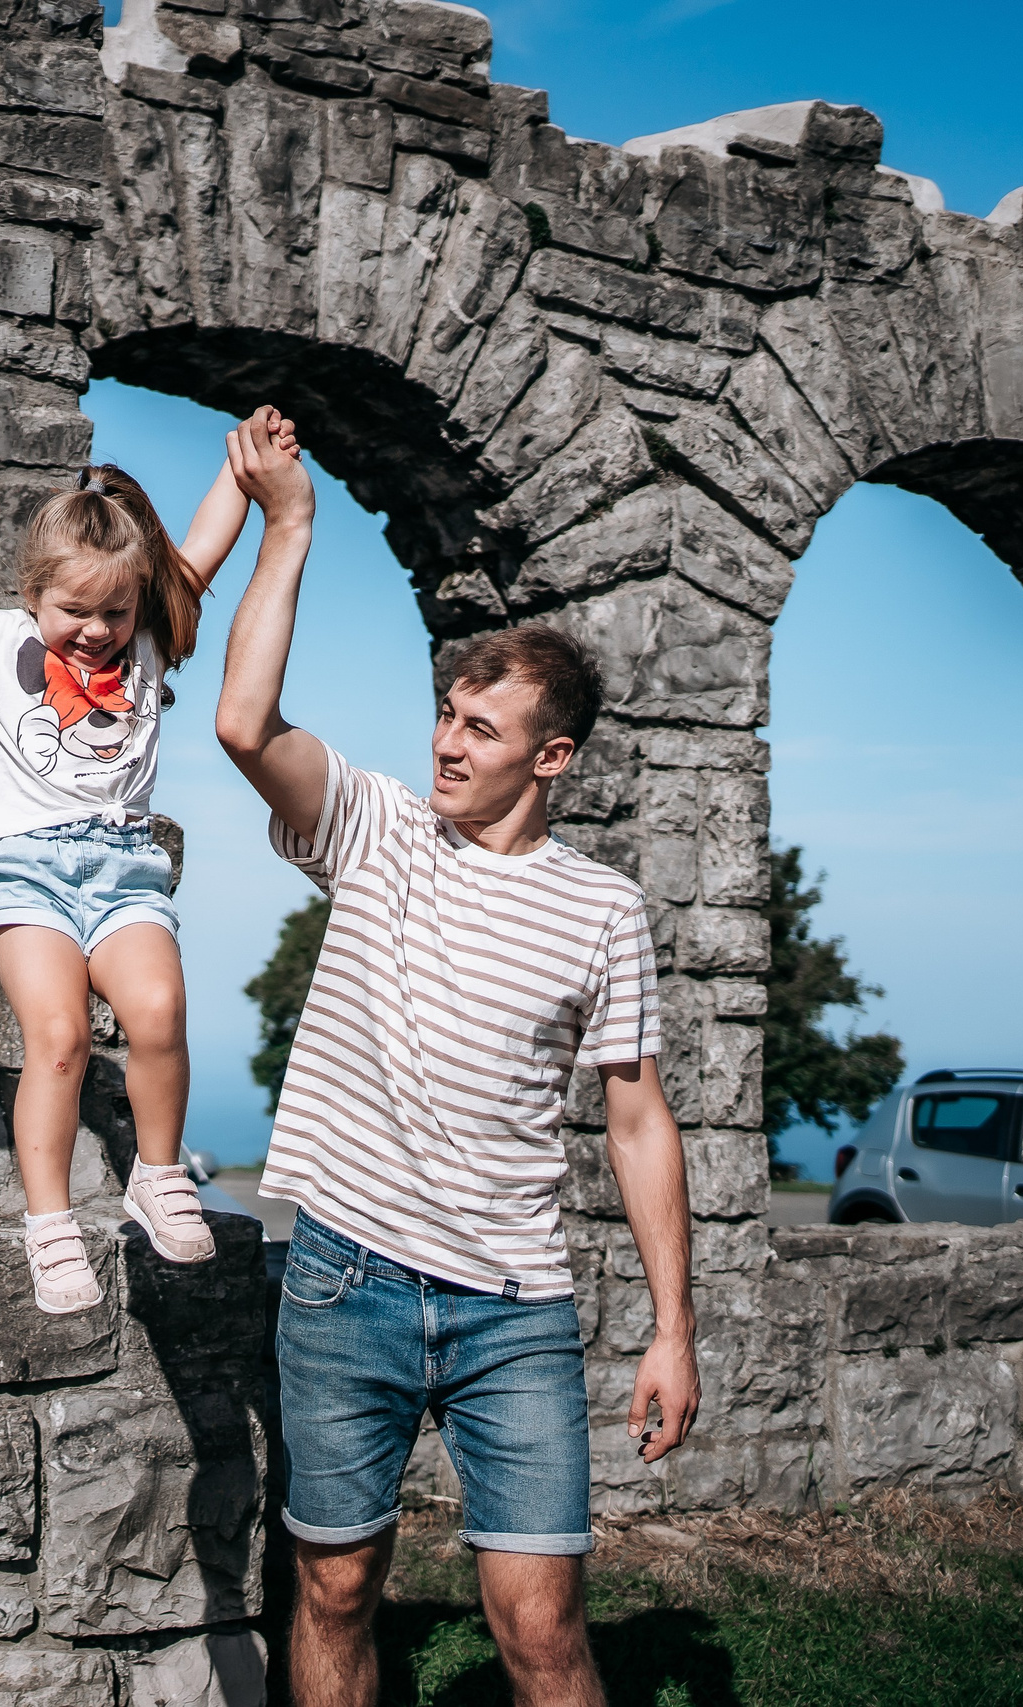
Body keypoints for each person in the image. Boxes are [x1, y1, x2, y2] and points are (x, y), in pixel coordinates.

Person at [211, 409, 700, 1707]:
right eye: (445, 715)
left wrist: (674, 1326)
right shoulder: (378, 828)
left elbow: (639, 1118)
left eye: (481, 730)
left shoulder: (604, 909)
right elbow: (244, 722)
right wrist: (291, 527)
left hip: (516, 1311)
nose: (446, 742)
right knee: (335, 1587)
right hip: (344, 1278)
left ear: (552, 756)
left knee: (539, 1626)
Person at [0, 414, 299, 1313]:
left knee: (161, 1010)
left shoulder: (146, 639)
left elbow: (202, 548)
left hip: (126, 867)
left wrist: (243, 465)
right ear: (31, 596)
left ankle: (159, 1173)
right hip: (26, 876)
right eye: (74, 612)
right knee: (57, 1037)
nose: (96, 631)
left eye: (115, 612)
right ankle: (50, 1224)